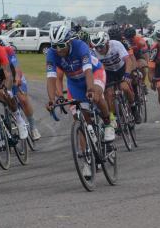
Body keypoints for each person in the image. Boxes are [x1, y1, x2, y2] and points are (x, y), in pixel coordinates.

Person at [45, 25, 112, 178]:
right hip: (74, 83)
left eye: (61, 45)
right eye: (54, 46)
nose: (58, 49)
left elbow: (88, 70)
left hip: (94, 74)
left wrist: (90, 89)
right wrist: (51, 99)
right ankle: (87, 161)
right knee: (81, 120)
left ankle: (108, 123)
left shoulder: (80, 46)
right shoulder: (51, 53)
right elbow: (51, 78)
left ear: (69, 41)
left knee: (96, 94)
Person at [0, 35, 41, 140]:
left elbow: (16, 67)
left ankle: (33, 127)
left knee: (22, 98)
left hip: (13, 74)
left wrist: (17, 79)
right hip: (1, 77)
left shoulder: (8, 50)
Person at [90, 31, 138, 126]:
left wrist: (127, 74)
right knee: (108, 93)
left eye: (101, 46)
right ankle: (114, 117)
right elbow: (94, 69)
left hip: (121, 68)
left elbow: (128, 60)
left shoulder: (116, 44)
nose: (99, 49)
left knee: (125, 87)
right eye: (96, 47)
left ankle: (134, 109)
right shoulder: (93, 52)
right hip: (108, 71)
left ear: (107, 42)